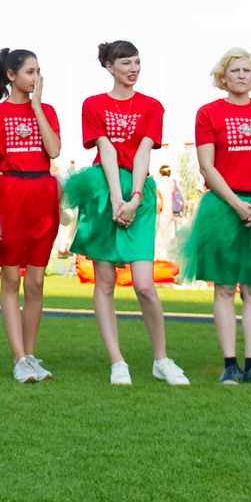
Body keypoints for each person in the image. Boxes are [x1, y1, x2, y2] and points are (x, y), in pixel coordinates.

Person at [65, 40, 186, 387]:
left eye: (137, 62)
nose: (133, 69)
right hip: (103, 189)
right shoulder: (94, 104)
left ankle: (161, 359)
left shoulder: (152, 105)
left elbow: (145, 151)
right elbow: (104, 148)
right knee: (104, 281)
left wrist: (133, 200)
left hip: (139, 190)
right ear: (110, 67)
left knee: (145, 285)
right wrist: (116, 200)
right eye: (126, 63)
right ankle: (117, 361)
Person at [187, 48, 251, 386]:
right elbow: (207, 165)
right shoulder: (209, 113)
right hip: (223, 207)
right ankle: (230, 364)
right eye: (235, 70)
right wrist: (235, 203)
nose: (241, 75)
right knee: (225, 287)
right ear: (223, 77)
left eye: (247, 70)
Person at [0, 48, 62, 383]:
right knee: (11, 279)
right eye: (29, 71)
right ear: (11, 76)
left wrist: (37, 106)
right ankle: (19, 357)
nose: (35, 77)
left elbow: (54, 151)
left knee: (37, 281)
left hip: (42, 195)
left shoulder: (47, 110)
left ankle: (31, 353)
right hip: (10, 196)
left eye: (38, 71)